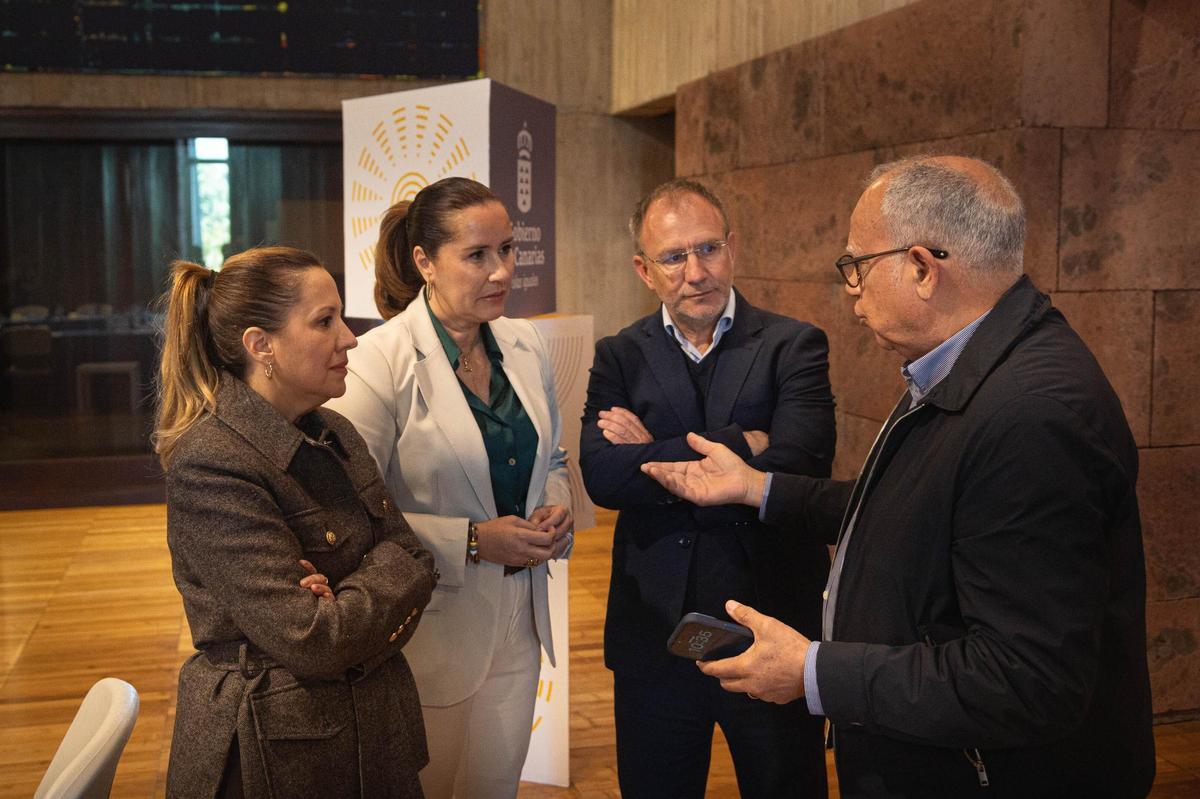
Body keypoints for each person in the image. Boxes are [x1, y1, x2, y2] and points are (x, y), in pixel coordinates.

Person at [642, 156, 1156, 797]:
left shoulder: (1031, 415)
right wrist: (757, 486)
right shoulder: (968, 364)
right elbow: (913, 508)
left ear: (921, 268)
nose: (851, 288)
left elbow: (1025, 679)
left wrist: (814, 672)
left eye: (857, 264)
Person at [579, 178, 836, 798]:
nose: (695, 272)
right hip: (654, 636)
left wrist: (650, 450)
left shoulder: (793, 344)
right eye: (673, 257)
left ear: (732, 248)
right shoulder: (619, 354)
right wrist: (743, 445)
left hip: (770, 629)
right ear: (644, 270)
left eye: (708, 249)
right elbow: (603, 476)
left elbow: (802, 463)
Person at [155, 246, 437, 798]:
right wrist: (381, 576)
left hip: (375, 734)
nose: (350, 338)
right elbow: (315, 639)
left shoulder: (334, 430)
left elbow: (415, 555)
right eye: (324, 321)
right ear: (261, 345)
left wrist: (346, 595)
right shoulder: (210, 462)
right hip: (273, 752)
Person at [325, 177, 573, 799]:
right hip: (427, 629)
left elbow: (554, 459)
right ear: (425, 263)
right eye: (477, 255)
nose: (501, 271)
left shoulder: (525, 342)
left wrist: (557, 507)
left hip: (522, 620)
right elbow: (350, 514)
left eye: (507, 250)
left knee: (495, 788)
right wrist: (470, 541)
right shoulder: (376, 361)